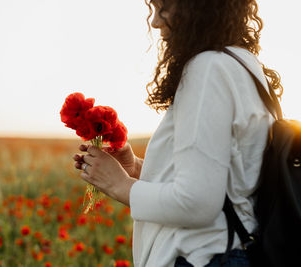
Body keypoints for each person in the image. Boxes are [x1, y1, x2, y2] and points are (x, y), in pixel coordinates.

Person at [72, 0, 283, 266]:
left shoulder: (208, 69)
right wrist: (136, 168)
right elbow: (219, 181)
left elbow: (197, 204)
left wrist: (120, 185)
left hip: (204, 257)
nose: (155, 21)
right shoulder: (243, 65)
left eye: (164, 7)